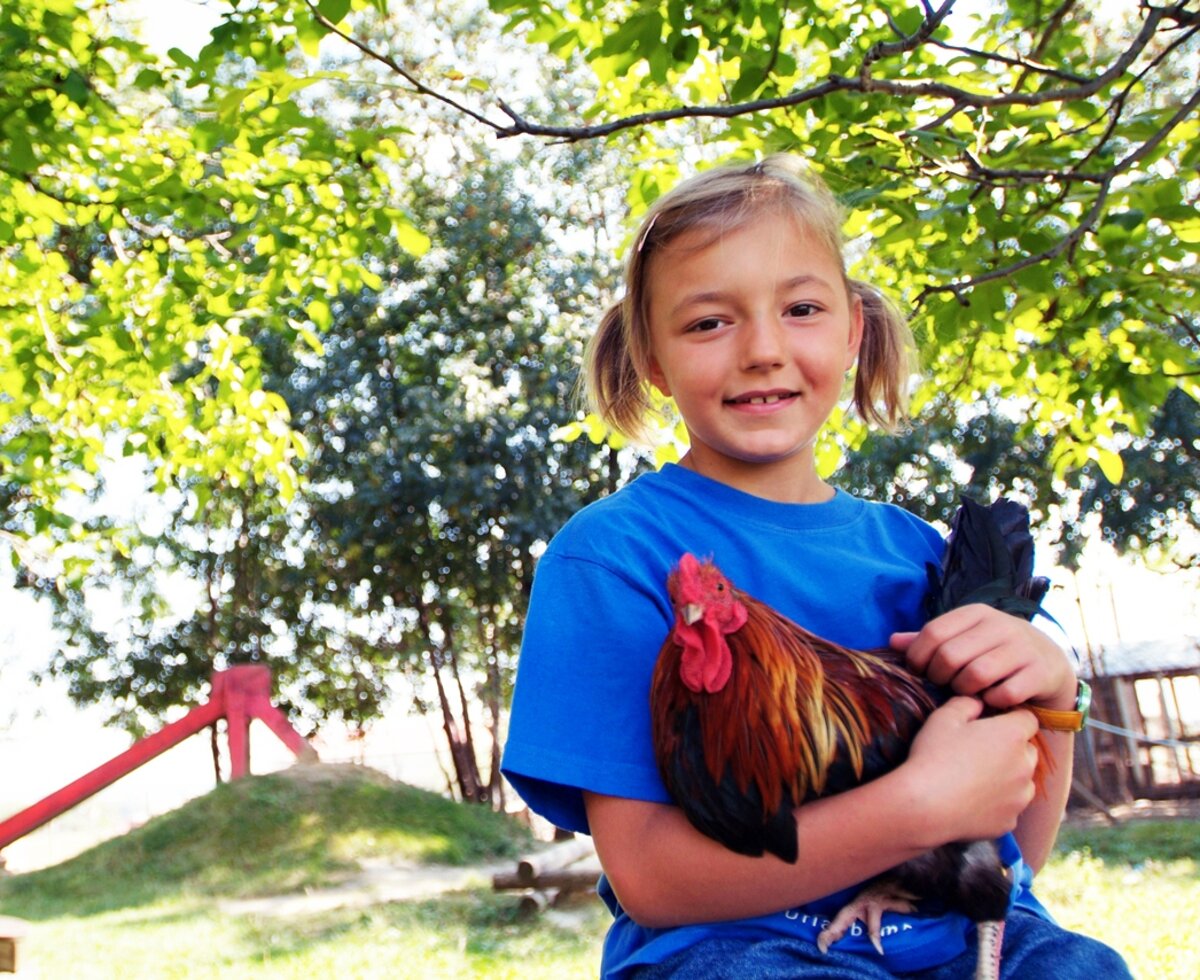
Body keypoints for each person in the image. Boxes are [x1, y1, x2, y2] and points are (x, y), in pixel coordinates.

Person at [501, 155, 1131, 979]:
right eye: (707, 323)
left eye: (801, 308)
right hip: (741, 950)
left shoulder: (920, 555)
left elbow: (1016, 856)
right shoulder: (614, 557)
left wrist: (1054, 693)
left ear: (851, 331)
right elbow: (649, 878)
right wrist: (909, 809)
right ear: (650, 355)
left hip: (963, 935)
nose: (763, 350)